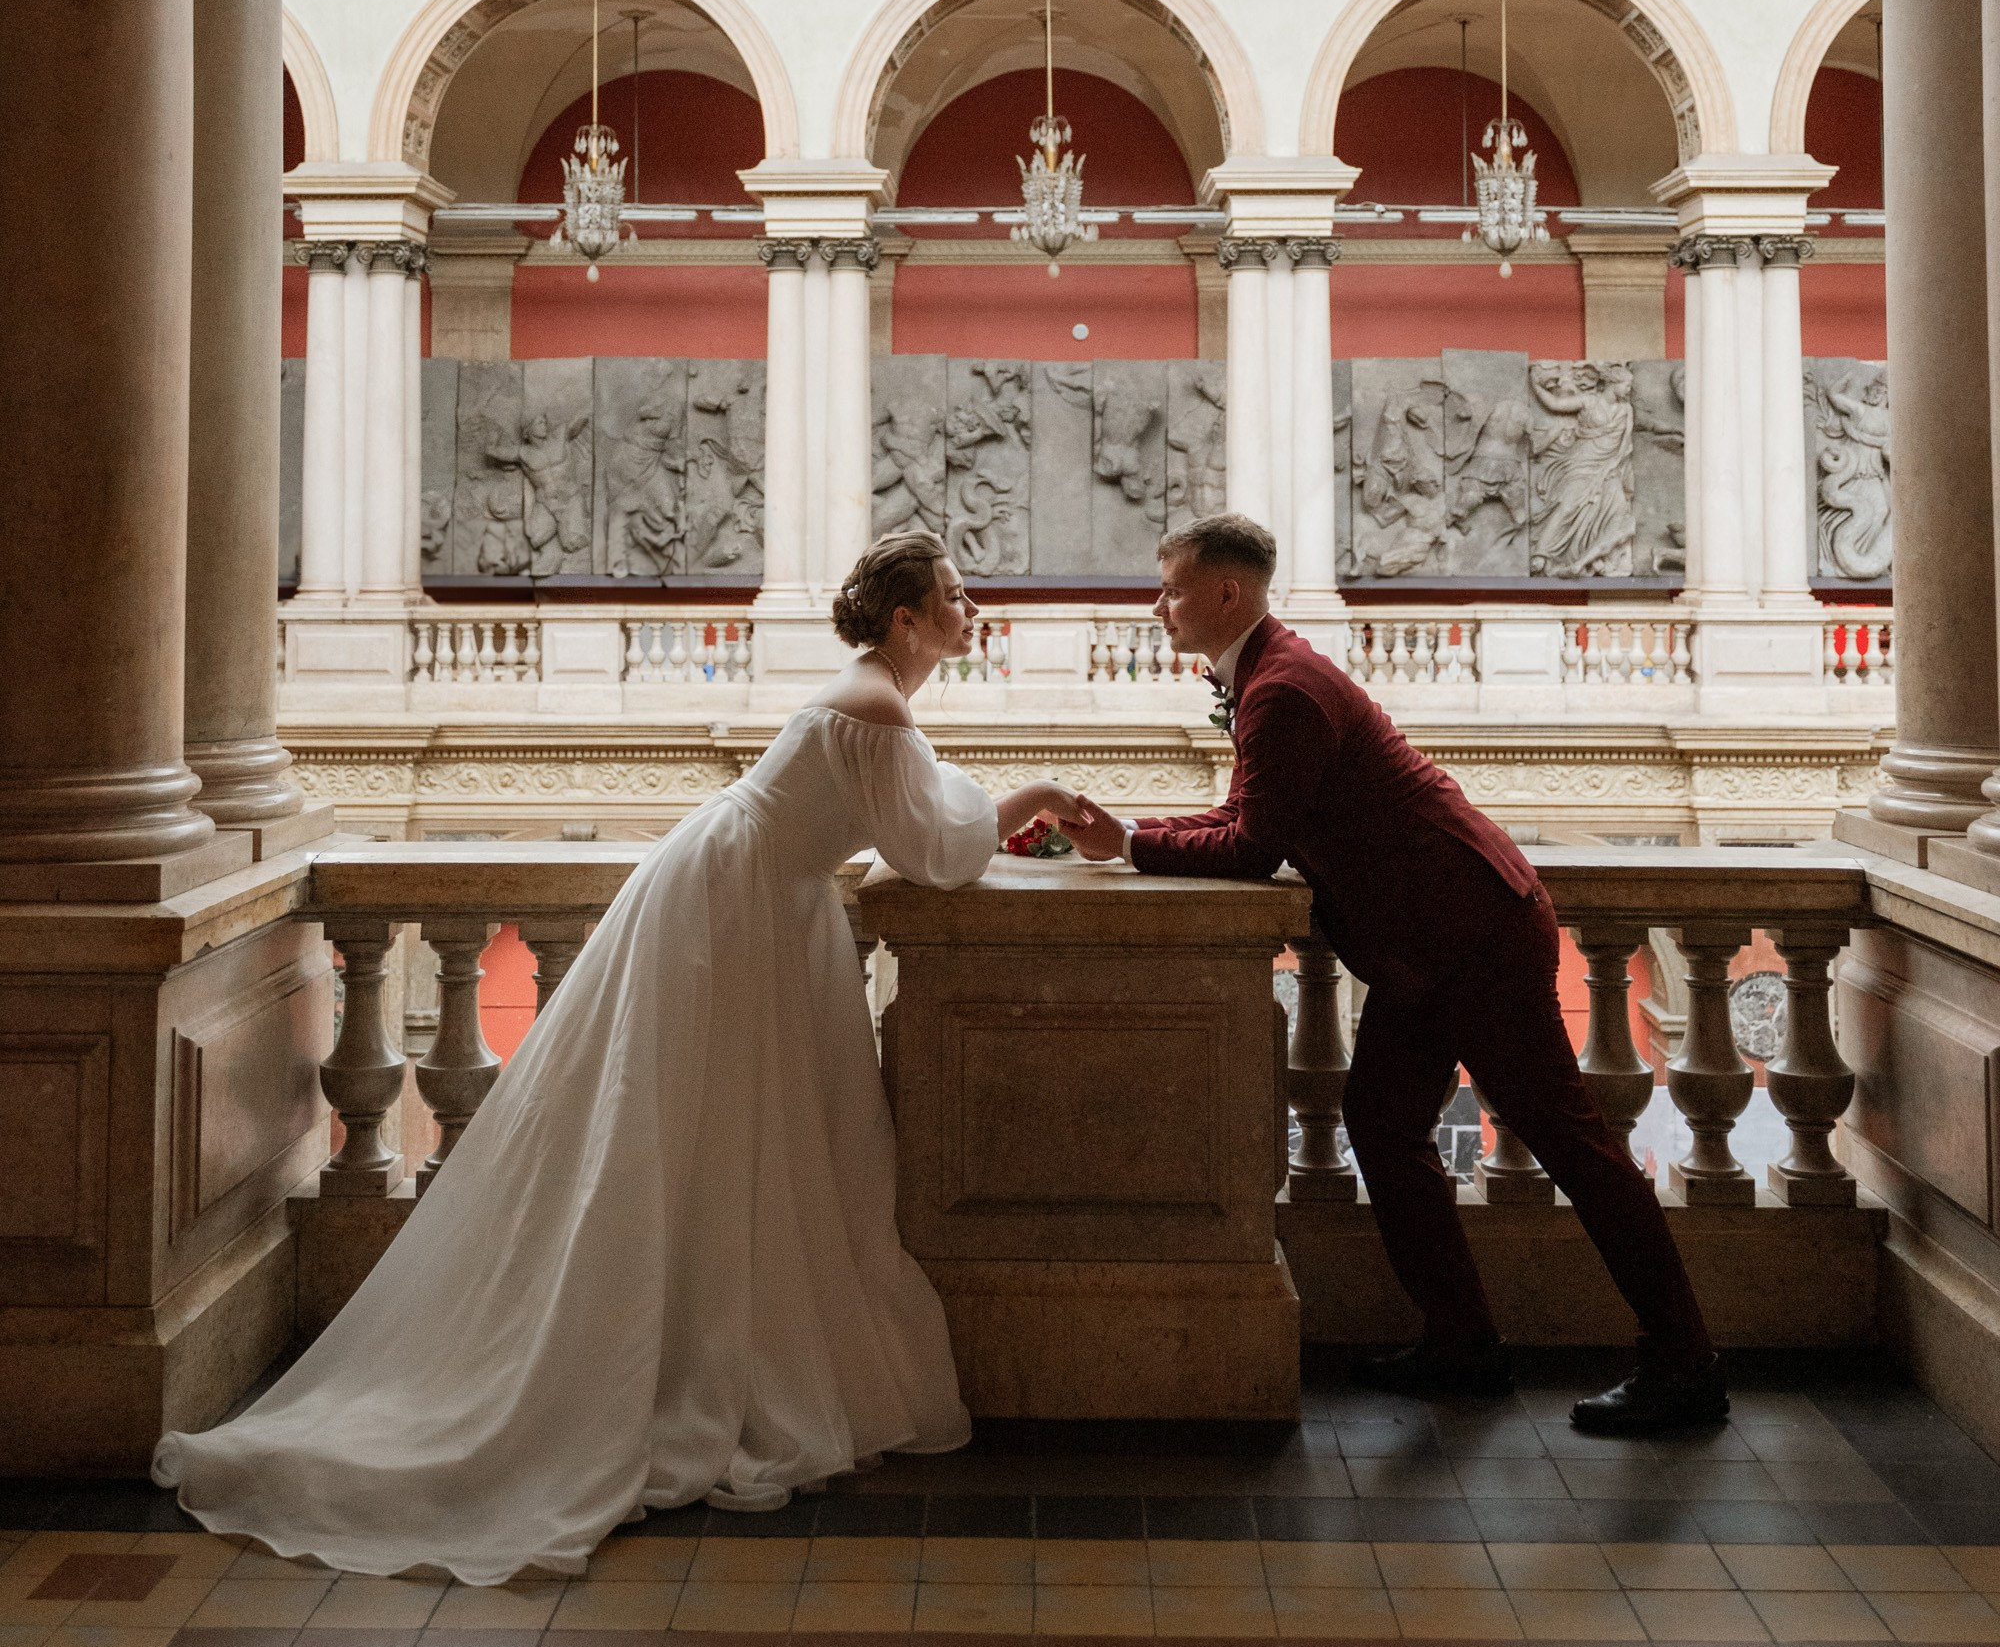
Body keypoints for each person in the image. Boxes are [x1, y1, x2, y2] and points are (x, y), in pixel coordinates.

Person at [154, 534, 1074, 1580]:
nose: (973, 605)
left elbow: (916, 812)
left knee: (731, 1133)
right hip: (739, 910)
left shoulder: (871, 694)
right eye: (954, 594)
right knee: (716, 1131)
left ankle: (709, 1342)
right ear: (906, 620)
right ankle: (692, 1363)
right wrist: (1035, 795)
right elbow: (939, 851)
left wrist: (1017, 799)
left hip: (748, 896)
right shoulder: (874, 701)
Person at [1057, 511, 1727, 1435]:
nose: (1157, 605)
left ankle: (1685, 1365)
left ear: (1225, 593)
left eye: (1169, 587)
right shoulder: (1270, 674)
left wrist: (1131, 847)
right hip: (1431, 945)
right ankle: (1462, 1341)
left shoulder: (1281, 687)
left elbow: (1253, 848)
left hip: (1473, 937)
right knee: (1380, 1121)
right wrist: (1131, 835)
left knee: (1578, 1150)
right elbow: (1248, 811)